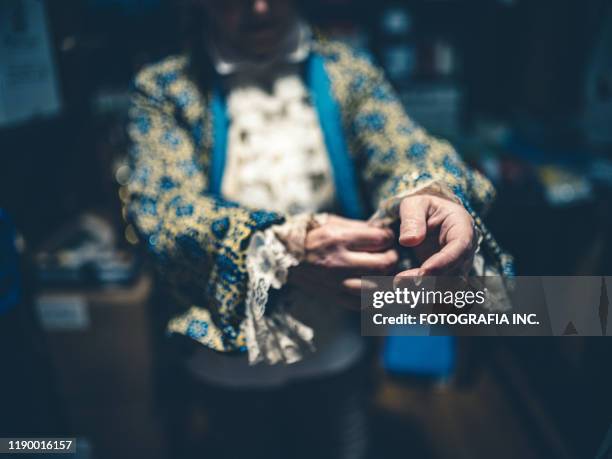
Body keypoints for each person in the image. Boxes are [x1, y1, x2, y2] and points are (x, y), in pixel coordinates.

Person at [123, 1, 513, 457]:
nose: (259, 7)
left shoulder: (348, 72)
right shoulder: (165, 89)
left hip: (335, 345)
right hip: (226, 359)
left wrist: (429, 191)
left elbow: (400, 144)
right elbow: (162, 211)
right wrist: (277, 245)